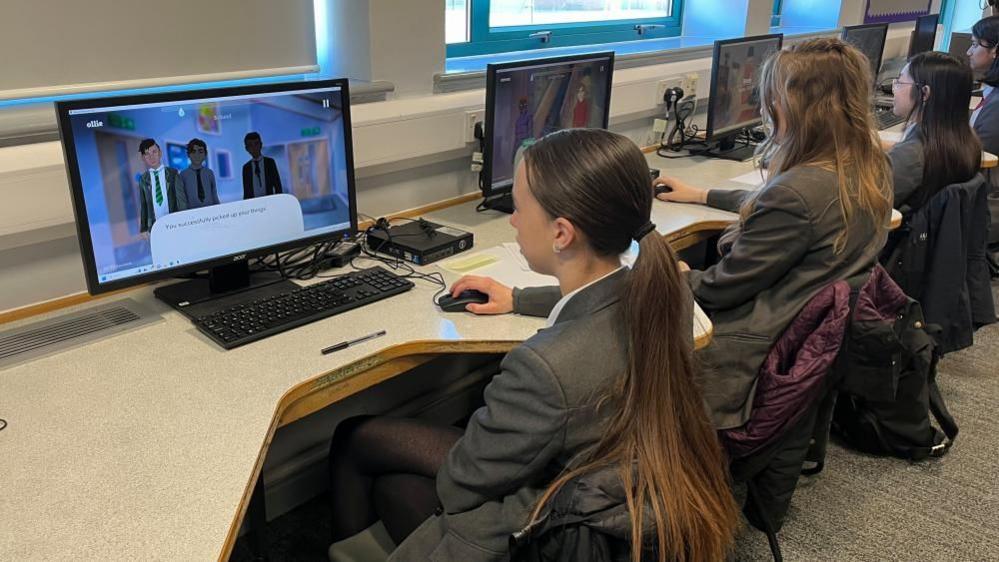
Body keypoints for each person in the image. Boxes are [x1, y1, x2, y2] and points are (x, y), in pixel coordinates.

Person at [328, 129, 739, 562]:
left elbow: (460, 484)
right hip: (611, 504)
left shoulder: (543, 368)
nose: (512, 220)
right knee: (366, 441)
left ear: (562, 233)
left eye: (520, 207)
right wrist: (519, 298)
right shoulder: (669, 290)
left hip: (544, 532)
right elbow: (602, 300)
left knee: (380, 467)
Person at [654, 38, 893, 430]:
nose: (765, 108)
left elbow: (717, 289)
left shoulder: (797, 193)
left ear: (801, 108)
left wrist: (673, 272)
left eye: (772, 98)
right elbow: (784, 206)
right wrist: (702, 193)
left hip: (745, 348)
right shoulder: (866, 165)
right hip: (801, 344)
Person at [887, 52, 981, 211]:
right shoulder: (967, 141)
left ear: (924, 93)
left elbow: (865, 205)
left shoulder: (913, 155)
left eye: (899, 82)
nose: (893, 88)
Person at [968, 16, 999, 252]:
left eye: (976, 44)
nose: (969, 51)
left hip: (986, 202)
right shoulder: (992, 94)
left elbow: (974, 156)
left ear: (996, 51)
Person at [136, 138, 184, 234]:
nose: (151, 157)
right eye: (147, 154)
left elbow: (181, 200)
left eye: (154, 152)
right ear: (143, 158)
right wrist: (144, 229)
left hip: (175, 223)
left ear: (160, 153)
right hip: (155, 227)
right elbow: (144, 205)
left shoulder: (173, 174)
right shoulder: (143, 179)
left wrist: (184, 221)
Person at [176, 138, 221, 209]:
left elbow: (214, 195)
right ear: (188, 154)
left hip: (211, 212)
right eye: (193, 152)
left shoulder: (209, 173)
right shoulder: (183, 175)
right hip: (192, 215)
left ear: (205, 154)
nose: (197, 155)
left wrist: (219, 210)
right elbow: (182, 199)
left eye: (200, 151)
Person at [241, 132, 283, 199]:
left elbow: (278, 185)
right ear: (247, 148)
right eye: (250, 145)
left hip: (270, 201)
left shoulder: (270, 163)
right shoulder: (246, 168)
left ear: (261, 145)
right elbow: (246, 191)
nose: (254, 148)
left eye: (256, 144)